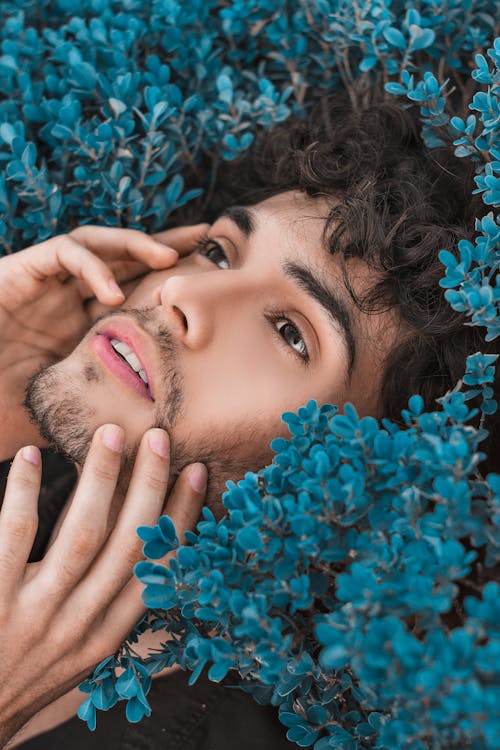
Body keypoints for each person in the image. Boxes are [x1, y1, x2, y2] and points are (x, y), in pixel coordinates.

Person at [0, 96, 497, 748]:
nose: (181, 294)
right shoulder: (33, 479)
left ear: (361, 492)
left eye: (290, 332)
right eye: (219, 252)